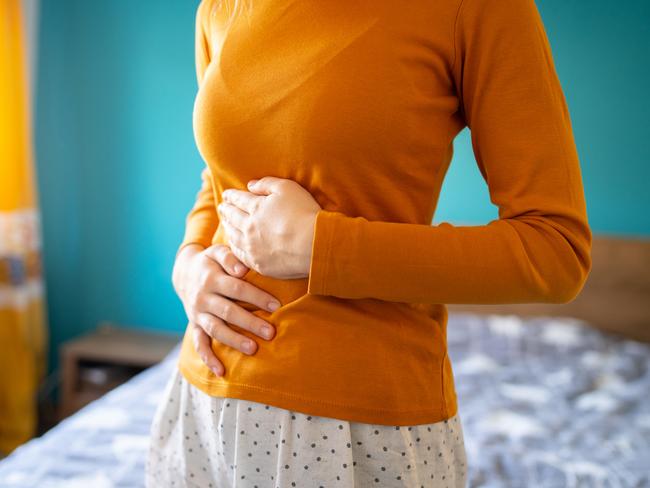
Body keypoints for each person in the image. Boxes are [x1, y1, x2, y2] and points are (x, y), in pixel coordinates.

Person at [146, 0, 592, 485]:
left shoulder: (478, 9)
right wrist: (188, 263)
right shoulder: (220, 6)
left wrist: (324, 248)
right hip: (202, 406)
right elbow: (222, 175)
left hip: (359, 431)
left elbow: (555, 251)